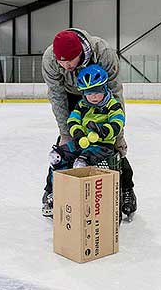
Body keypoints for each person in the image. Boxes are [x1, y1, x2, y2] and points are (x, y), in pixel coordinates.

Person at [42, 28, 137, 219]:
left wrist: (118, 135)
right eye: (62, 61)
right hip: (72, 97)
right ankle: (54, 190)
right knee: (66, 147)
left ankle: (126, 188)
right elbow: (57, 96)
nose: (66, 65)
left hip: (102, 94)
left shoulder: (103, 53)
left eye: (70, 60)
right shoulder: (50, 60)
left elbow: (115, 92)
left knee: (111, 149)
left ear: (80, 53)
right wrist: (66, 132)